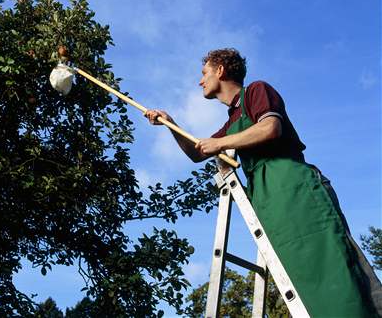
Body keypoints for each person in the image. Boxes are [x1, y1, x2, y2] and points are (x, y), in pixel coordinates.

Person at [145, 48, 382, 317]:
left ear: (220, 70)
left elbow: (270, 127)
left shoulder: (256, 91)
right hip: (267, 200)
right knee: (302, 276)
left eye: (204, 73)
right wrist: (169, 123)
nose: (200, 81)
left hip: (294, 187)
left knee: (335, 263)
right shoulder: (232, 120)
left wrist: (220, 144)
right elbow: (198, 152)